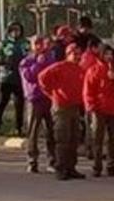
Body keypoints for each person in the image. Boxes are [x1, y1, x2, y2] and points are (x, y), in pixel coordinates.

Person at [38, 44, 88, 181]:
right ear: (68, 54)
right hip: (61, 107)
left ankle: (71, 167)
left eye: (79, 54)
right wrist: (53, 94)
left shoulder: (80, 69)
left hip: (75, 107)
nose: (77, 56)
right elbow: (42, 78)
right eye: (75, 54)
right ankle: (60, 168)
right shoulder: (60, 67)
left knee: (74, 138)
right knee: (62, 138)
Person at [84, 45, 114, 178]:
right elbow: (88, 90)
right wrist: (91, 106)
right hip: (99, 108)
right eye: (106, 54)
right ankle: (97, 165)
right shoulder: (94, 70)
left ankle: (111, 165)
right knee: (98, 138)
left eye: (110, 54)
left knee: (113, 139)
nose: (109, 57)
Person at [20, 36, 57, 174]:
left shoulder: (51, 59)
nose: (40, 46)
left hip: (49, 98)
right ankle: (32, 160)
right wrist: (38, 63)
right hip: (34, 99)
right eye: (36, 44)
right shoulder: (27, 61)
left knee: (51, 131)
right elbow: (29, 76)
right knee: (33, 131)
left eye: (42, 43)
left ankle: (52, 160)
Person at [0, 22, 29, 136]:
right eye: (13, 30)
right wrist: (2, 61)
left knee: (19, 104)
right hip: (6, 77)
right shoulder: (4, 43)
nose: (15, 32)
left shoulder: (25, 44)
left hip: (20, 78)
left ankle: (19, 127)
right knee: (2, 102)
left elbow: (30, 55)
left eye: (18, 30)